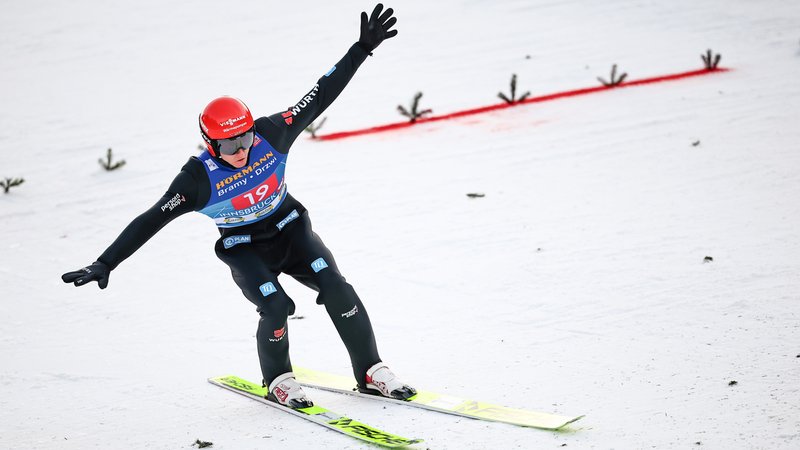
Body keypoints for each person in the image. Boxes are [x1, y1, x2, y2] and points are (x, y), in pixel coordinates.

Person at [61, 3, 415, 409]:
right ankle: (279, 380)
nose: (241, 151)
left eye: (244, 139)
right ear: (210, 143)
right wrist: (106, 262)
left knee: (338, 288)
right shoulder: (196, 180)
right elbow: (150, 220)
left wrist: (361, 48)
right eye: (229, 145)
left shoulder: (271, 133)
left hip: (291, 229)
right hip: (244, 247)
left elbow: (318, 95)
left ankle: (370, 371)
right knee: (277, 305)